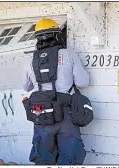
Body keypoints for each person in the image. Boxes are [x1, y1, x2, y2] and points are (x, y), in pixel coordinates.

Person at [22, 18, 89, 165]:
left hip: (41, 115)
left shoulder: (30, 60)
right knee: (69, 159)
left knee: (43, 159)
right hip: (66, 114)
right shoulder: (69, 54)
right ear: (57, 35)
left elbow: (26, 87)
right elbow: (83, 82)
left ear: (37, 38)